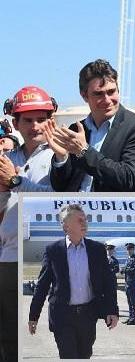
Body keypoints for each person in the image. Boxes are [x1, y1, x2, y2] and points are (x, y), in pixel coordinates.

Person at [0, 86, 60, 362]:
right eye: (28, 120)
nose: (35, 126)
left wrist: (15, 181)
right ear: (16, 123)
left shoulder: (59, 158)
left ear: (51, 119)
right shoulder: (7, 159)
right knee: (9, 335)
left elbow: (57, 204)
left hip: (47, 257)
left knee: (55, 333)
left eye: (41, 118)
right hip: (9, 254)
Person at [49, 58, 135, 191]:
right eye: (99, 94)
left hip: (115, 211)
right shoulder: (76, 130)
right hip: (75, 210)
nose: (107, 100)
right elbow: (60, 186)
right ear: (84, 96)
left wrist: (84, 151)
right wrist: (61, 159)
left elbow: (128, 178)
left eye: (111, 92)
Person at [28, 204, 119, 359]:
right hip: (62, 316)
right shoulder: (53, 250)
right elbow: (42, 286)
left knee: (84, 355)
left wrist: (112, 310)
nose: (85, 223)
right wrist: (33, 315)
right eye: (79, 220)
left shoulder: (97, 249)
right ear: (66, 225)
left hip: (88, 315)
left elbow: (108, 283)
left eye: (85, 219)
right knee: (68, 355)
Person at [121, 242, 135, 325]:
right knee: (129, 302)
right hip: (127, 283)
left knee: (133, 302)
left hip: (132, 283)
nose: (129, 251)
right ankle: (130, 317)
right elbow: (126, 269)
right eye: (128, 249)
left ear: (133, 250)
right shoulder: (128, 259)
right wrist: (123, 270)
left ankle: (133, 318)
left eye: (131, 249)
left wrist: (126, 270)